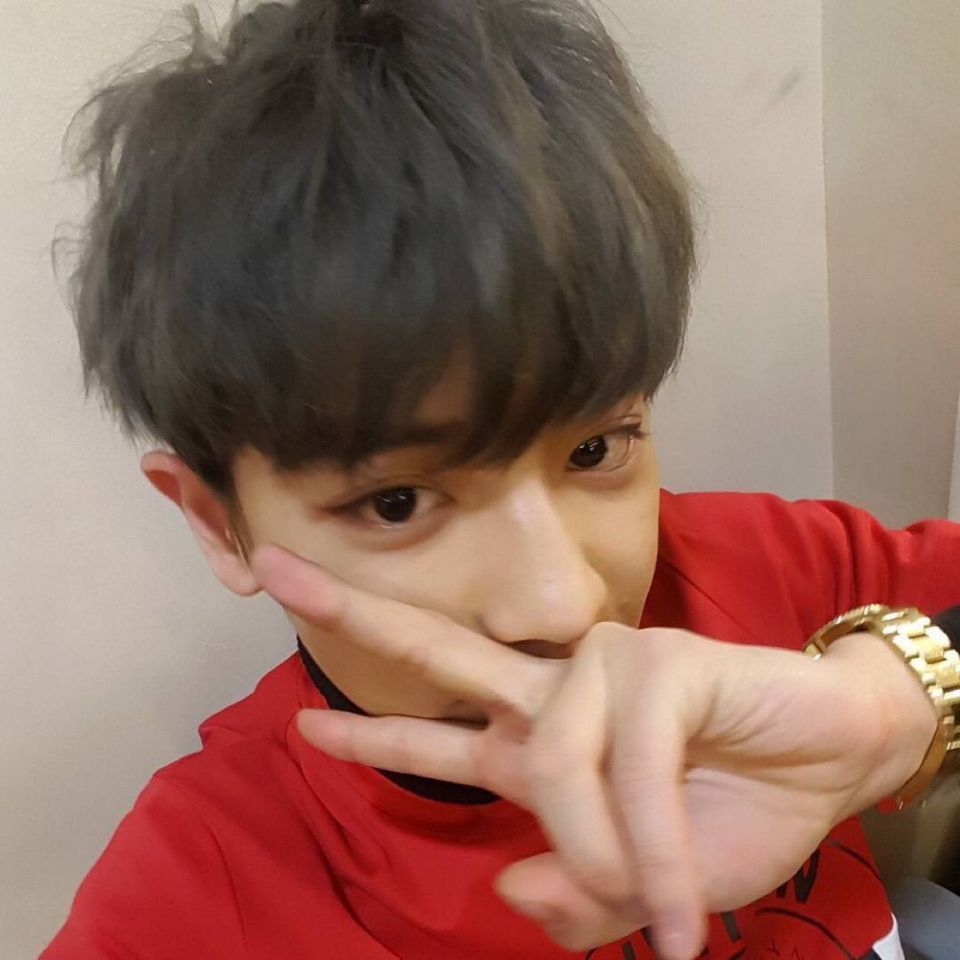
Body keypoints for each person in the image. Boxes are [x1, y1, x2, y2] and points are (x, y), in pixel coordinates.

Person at [42, 1, 959, 958]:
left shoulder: (759, 565)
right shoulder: (203, 882)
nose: (563, 604)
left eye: (596, 450)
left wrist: (893, 705)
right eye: (397, 502)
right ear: (217, 521)